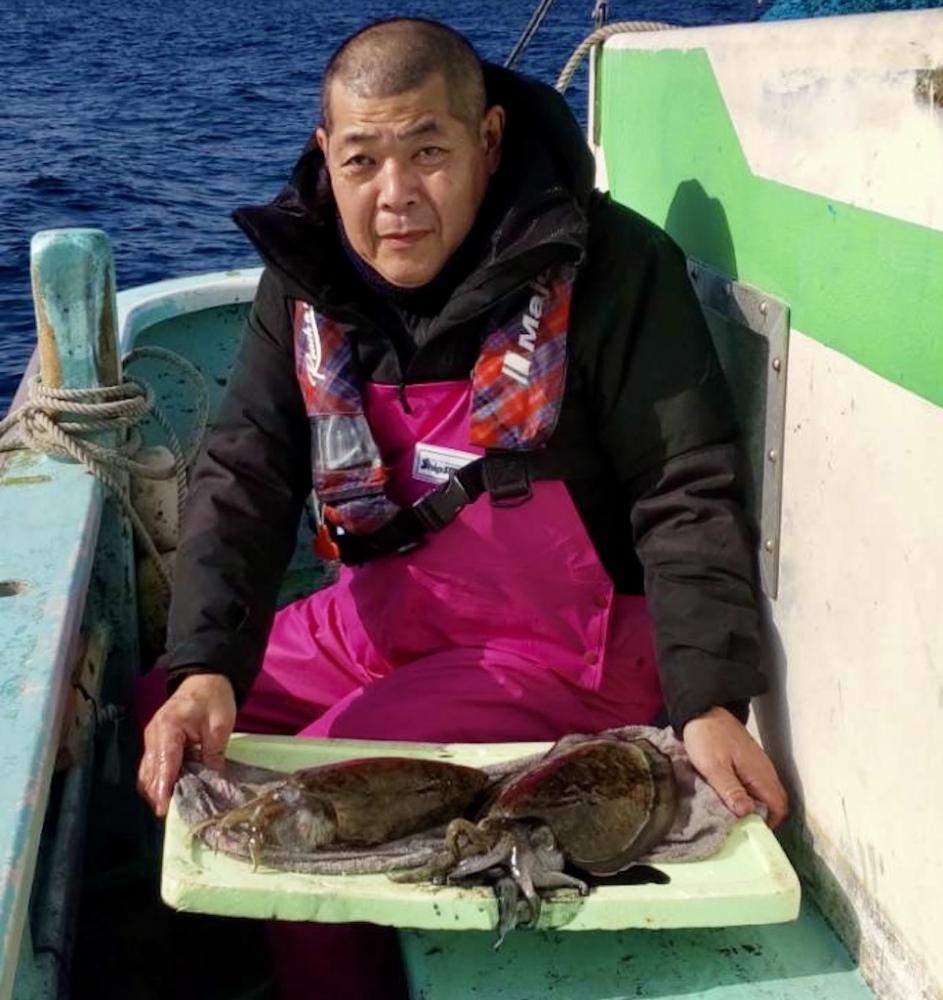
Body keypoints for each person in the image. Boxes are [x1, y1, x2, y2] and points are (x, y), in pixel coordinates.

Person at [137, 16, 787, 996]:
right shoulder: (308, 274)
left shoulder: (612, 265)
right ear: (326, 154)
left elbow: (681, 487)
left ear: (487, 140)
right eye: (362, 160)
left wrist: (708, 697)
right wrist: (204, 666)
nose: (394, 195)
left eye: (427, 153)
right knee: (160, 710)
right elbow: (247, 472)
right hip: (383, 614)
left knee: (316, 805)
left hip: (563, 646)